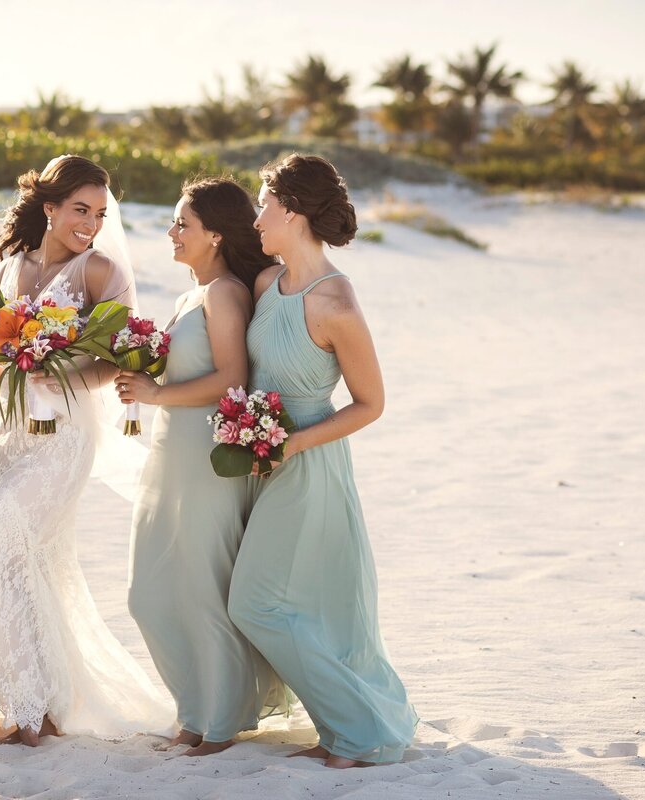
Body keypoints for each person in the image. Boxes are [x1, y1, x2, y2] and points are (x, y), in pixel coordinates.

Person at [0, 155, 173, 746]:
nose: (90, 223)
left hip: (65, 441)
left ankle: (33, 715)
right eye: (80, 210)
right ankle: (36, 701)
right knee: (21, 570)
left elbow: (120, 357)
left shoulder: (102, 272)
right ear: (48, 208)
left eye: (100, 213)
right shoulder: (8, 269)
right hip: (10, 437)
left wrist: (62, 371)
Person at [228, 154, 418, 767]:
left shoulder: (335, 300)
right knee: (301, 600)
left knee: (254, 603)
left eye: (263, 205)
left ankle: (361, 730)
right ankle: (340, 728)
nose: (257, 218)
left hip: (308, 465)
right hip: (259, 460)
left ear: (293, 211)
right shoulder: (265, 285)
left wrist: (292, 444)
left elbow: (371, 404)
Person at [116, 178, 288, 755]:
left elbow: (231, 380)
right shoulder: (194, 294)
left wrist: (154, 393)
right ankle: (199, 710)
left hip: (206, 457)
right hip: (170, 451)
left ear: (214, 235)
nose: (172, 232)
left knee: (200, 589)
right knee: (150, 591)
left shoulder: (224, 294)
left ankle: (215, 721)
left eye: (182, 224)